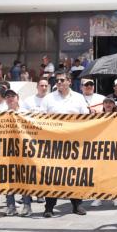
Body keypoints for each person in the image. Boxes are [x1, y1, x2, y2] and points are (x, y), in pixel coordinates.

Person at [40, 70, 89, 217]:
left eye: (62, 80)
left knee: (74, 173)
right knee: (52, 174)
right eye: (57, 80)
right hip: (53, 143)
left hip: (74, 142)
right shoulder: (48, 98)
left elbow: (86, 118)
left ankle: (77, 204)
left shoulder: (79, 98)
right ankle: (49, 207)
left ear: (69, 81)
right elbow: (40, 117)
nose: (59, 83)